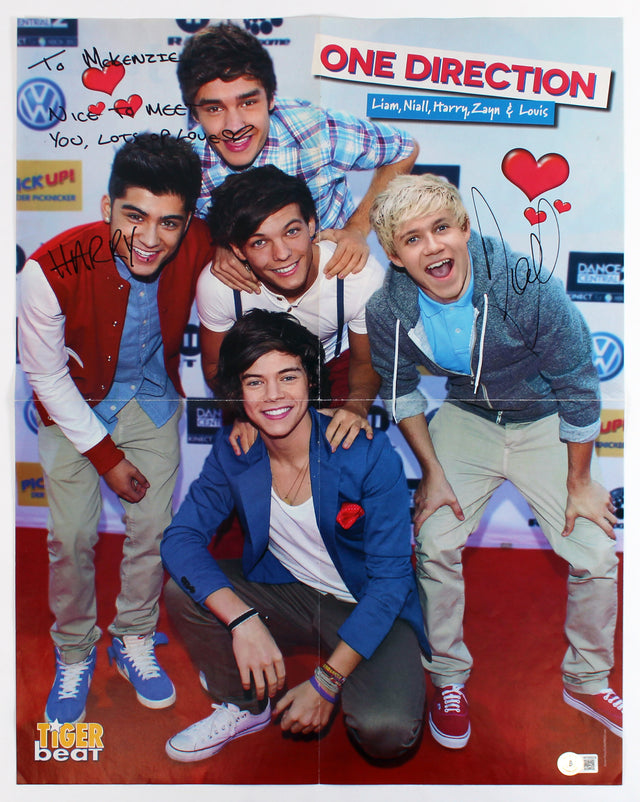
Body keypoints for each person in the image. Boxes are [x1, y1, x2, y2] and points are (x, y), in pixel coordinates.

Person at [365, 173, 622, 748]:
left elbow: (578, 383)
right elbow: (400, 390)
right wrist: (432, 474)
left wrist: (580, 481)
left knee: (596, 551)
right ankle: (448, 678)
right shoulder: (387, 309)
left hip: (546, 418)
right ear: (395, 256)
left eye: (441, 228)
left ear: (464, 228)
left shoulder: (524, 284)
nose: (433, 247)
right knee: (434, 540)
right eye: (412, 239)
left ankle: (586, 680)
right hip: (469, 417)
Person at [160, 309, 429, 762]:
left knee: (387, 734)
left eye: (288, 376)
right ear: (237, 392)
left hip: (368, 603)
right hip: (290, 592)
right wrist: (243, 621)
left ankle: (370, 665)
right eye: (255, 382)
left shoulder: (364, 451)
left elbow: (390, 582)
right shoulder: (236, 449)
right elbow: (180, 538)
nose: (273, 395)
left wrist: (326, 683)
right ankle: (245, 706)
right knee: (185, 592)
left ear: (310, 380)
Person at [18, 133, 215, 724]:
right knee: (71, 536)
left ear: (188, 222)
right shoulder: (47, 268)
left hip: (152, 401)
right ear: (107, 207)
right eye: (134, 216)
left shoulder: (200, 241)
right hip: (73, 407)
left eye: (169, 223)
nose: (150, 238)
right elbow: (46, 377)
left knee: (154, 528)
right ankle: (74, 650)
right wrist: (107, 458)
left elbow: (267, 239)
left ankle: (133, 636)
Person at [176, 21, 418, 288]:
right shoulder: (188, 164)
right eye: (214, 109)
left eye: (248, 102)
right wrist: (219, 245)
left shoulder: (313, 130)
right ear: (194, 114)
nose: (234, 127)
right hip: (252, 288)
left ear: (271, 99)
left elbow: (404, 150)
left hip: (332, 276)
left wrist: (357, 229)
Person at [199, 164, 384, 453]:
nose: (282, 254)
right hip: (254, 378)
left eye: (292, 231)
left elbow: (365, 362)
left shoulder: (357, 275)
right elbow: (214, 367)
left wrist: (356, 407)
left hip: (333, 369)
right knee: (248, 462)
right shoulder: (220, 285)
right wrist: (241, 412)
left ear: (311, 225)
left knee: (343, 456)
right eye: (260, 242)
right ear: (237, 249)